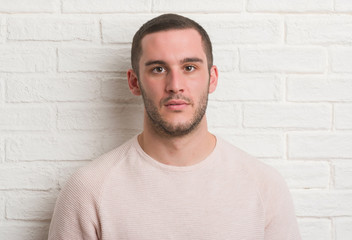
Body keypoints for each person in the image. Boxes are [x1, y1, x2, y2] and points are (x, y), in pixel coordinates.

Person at [48, 13, 301, 240]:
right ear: (134, 82)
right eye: (158, 69)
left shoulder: (264, 186)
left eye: (189, 67)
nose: (175, 85)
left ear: (211, 79)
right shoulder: (89, 189)